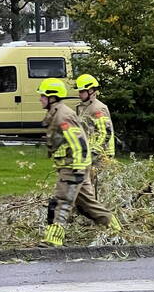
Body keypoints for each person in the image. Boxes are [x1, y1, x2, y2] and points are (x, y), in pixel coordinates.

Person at [37, 78, 120, 247]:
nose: (40, 99)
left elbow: (79, 142)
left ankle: (53, 240)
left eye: (43, 96)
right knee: (87, 204)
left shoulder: (63, 115)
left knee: (62, 200)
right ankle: (115, 228)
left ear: (52, 97)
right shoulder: (58, 112)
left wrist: (78, 168)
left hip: (73, 166)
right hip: (73, 165)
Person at [75, 74, 115, 195]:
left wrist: (94, 153)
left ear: (91, 91)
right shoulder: (83, 107)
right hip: (88, 152)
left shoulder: (98, 109)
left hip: (101, 155)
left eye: (82, 91)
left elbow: (105, 133)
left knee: (97, 187)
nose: (79, 94)